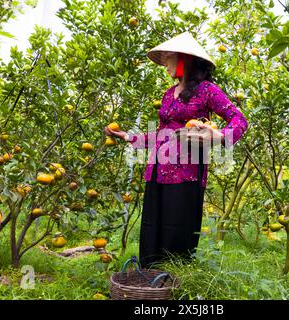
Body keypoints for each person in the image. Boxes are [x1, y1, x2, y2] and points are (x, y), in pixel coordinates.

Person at [104, 31, 248, 268]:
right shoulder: (169, 94)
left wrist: (220, 136)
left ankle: (175, 281)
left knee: (178, 228)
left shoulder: (208, 91)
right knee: (153, 226)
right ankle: (150, 279)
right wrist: (129, 137)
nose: (165, 64)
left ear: (184, 58)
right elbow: (161, 133)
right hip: (158, 168)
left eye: (169, 58)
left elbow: (239, 120)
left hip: (187, 172)